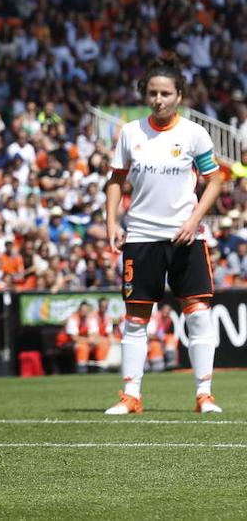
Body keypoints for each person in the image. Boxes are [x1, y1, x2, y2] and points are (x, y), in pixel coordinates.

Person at [104, 57, 225, 415]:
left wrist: (193, 220)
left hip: (186, 237)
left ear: (179, 96)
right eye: (153, 93)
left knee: (198, 314)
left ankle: (205, 395)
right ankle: (131, 397)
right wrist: (112, 223)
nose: (158, 99)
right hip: (140, 236)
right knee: (136, 319)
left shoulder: (193, 133)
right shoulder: (130, 133)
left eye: (166, 93)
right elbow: (115, 180)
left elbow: (215, 180)